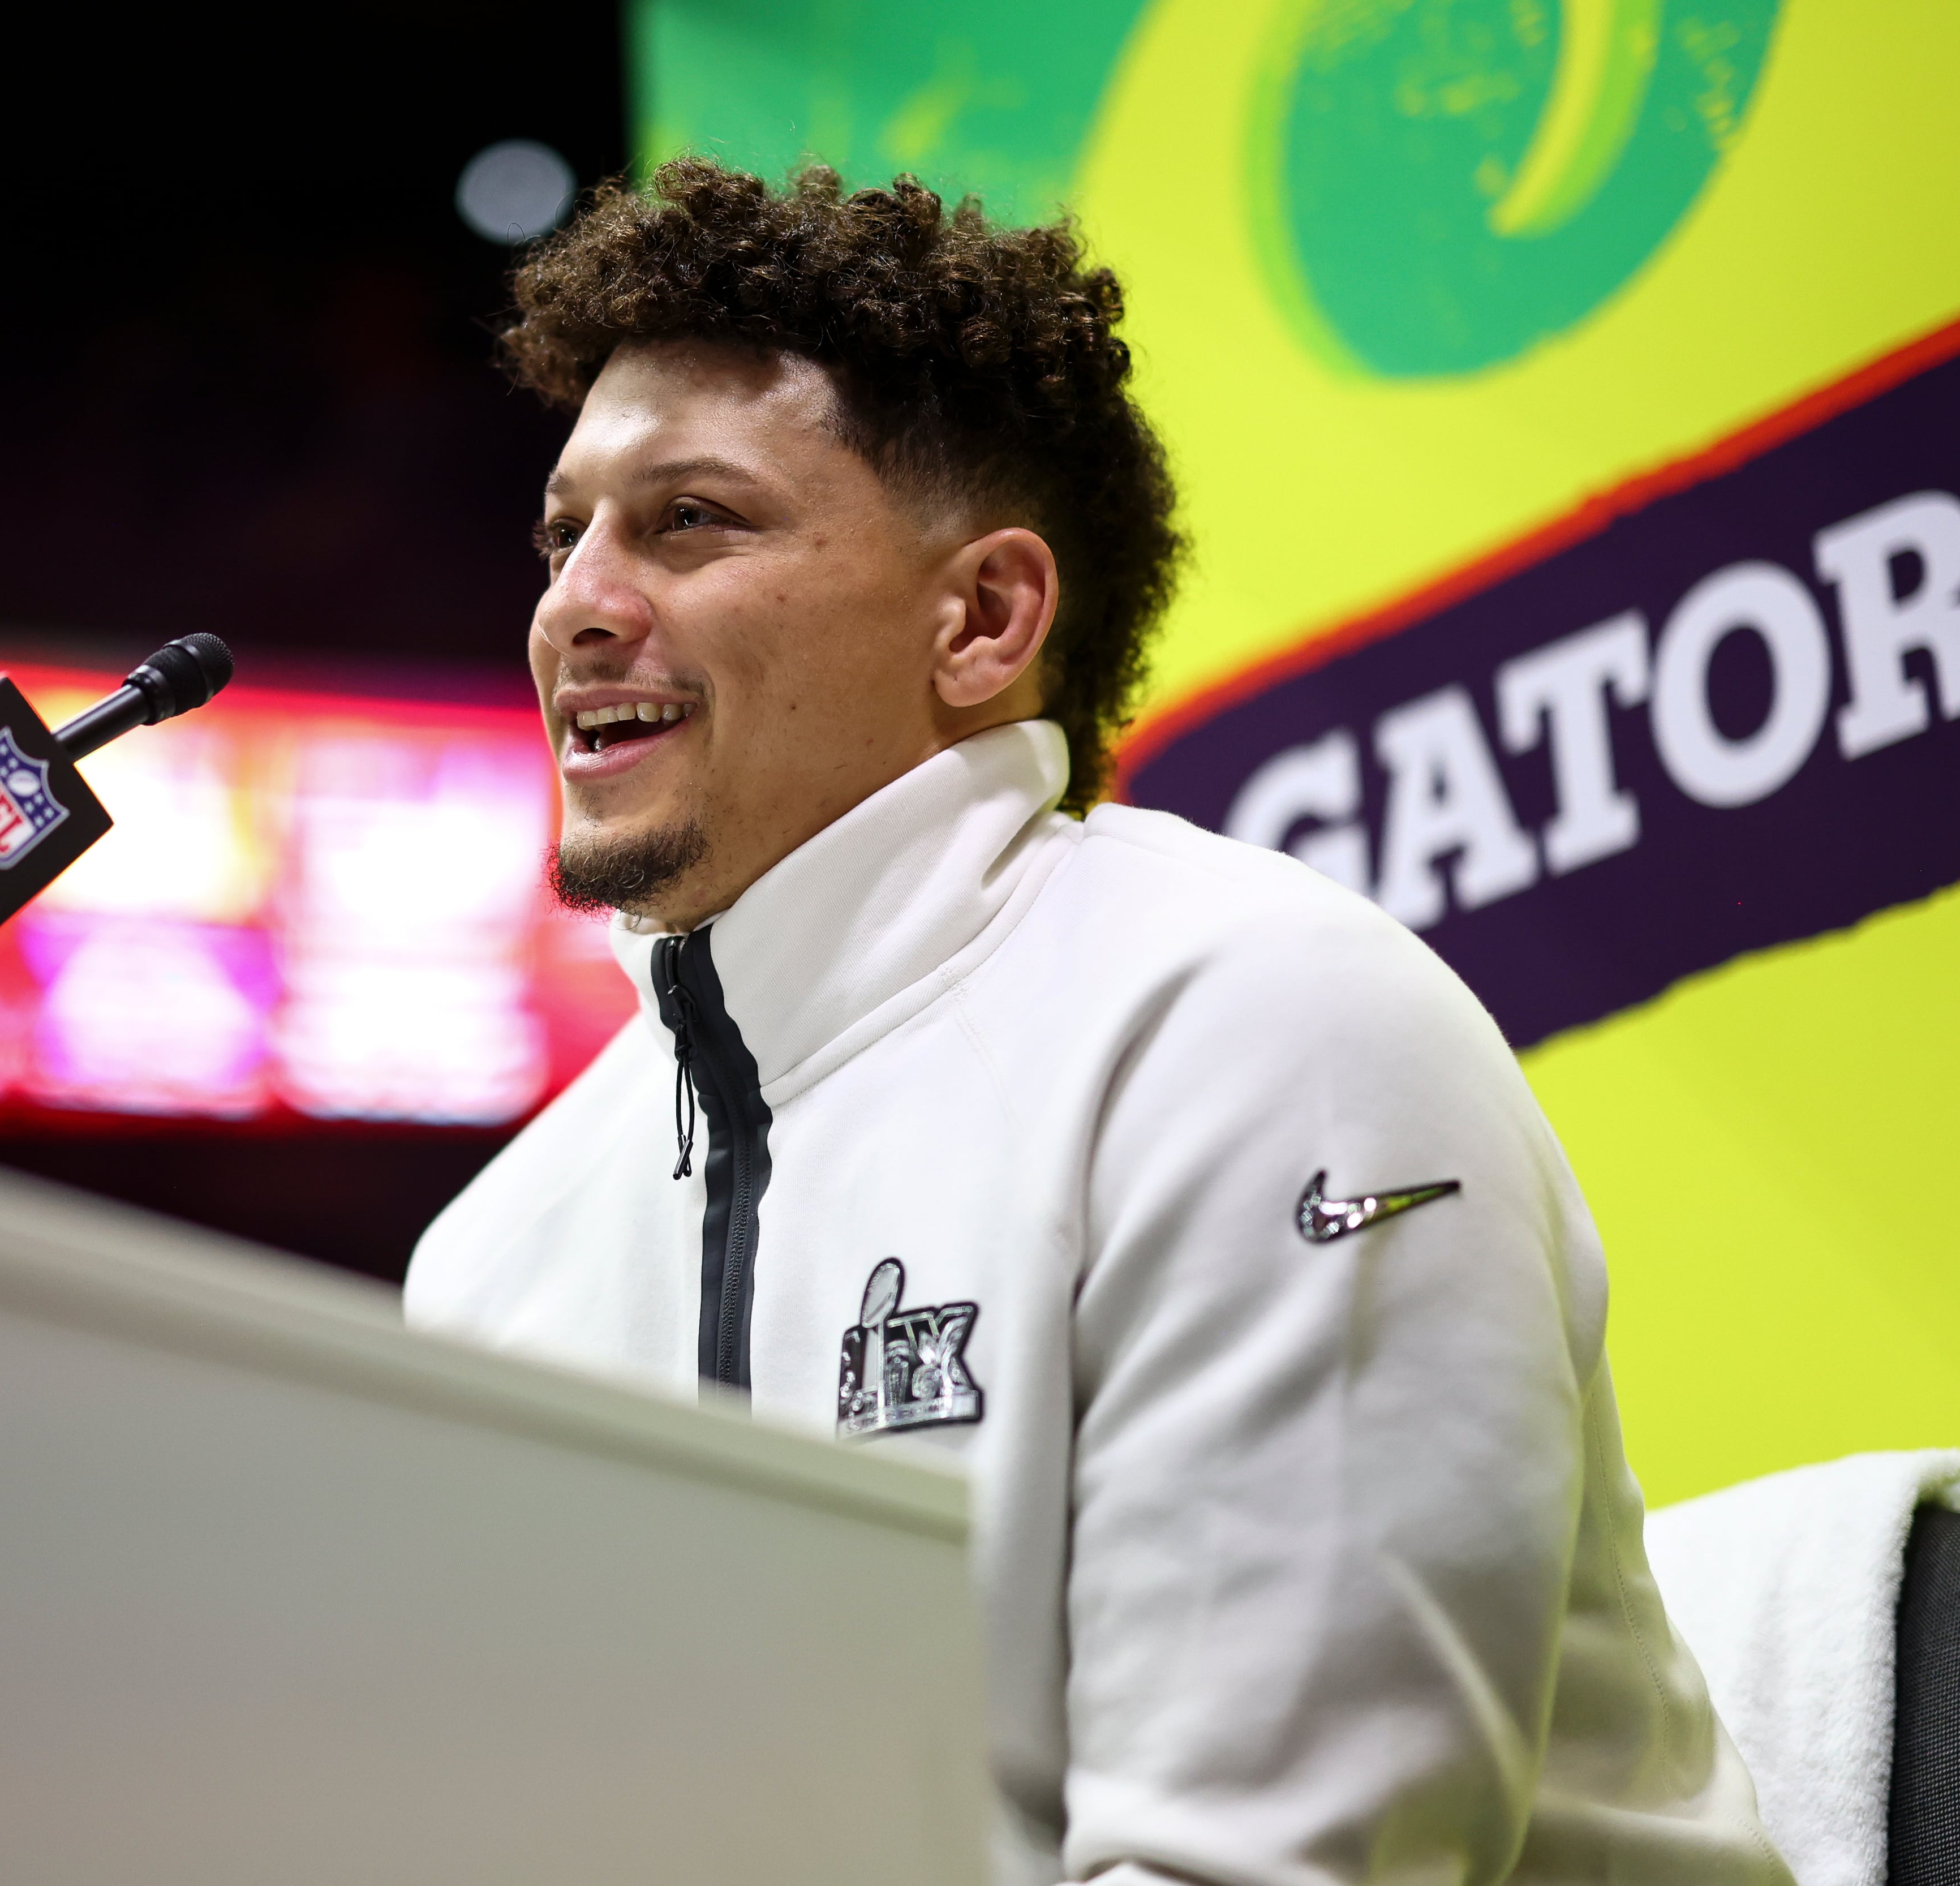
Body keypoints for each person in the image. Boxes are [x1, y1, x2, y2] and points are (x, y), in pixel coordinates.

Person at [406, 158, 1788, 1886]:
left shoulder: (1264, 1033)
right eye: (564, 534)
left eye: (692, 520)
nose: (575, 605)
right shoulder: (488, 1263)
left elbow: (1271, 1870)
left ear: (983, 620)